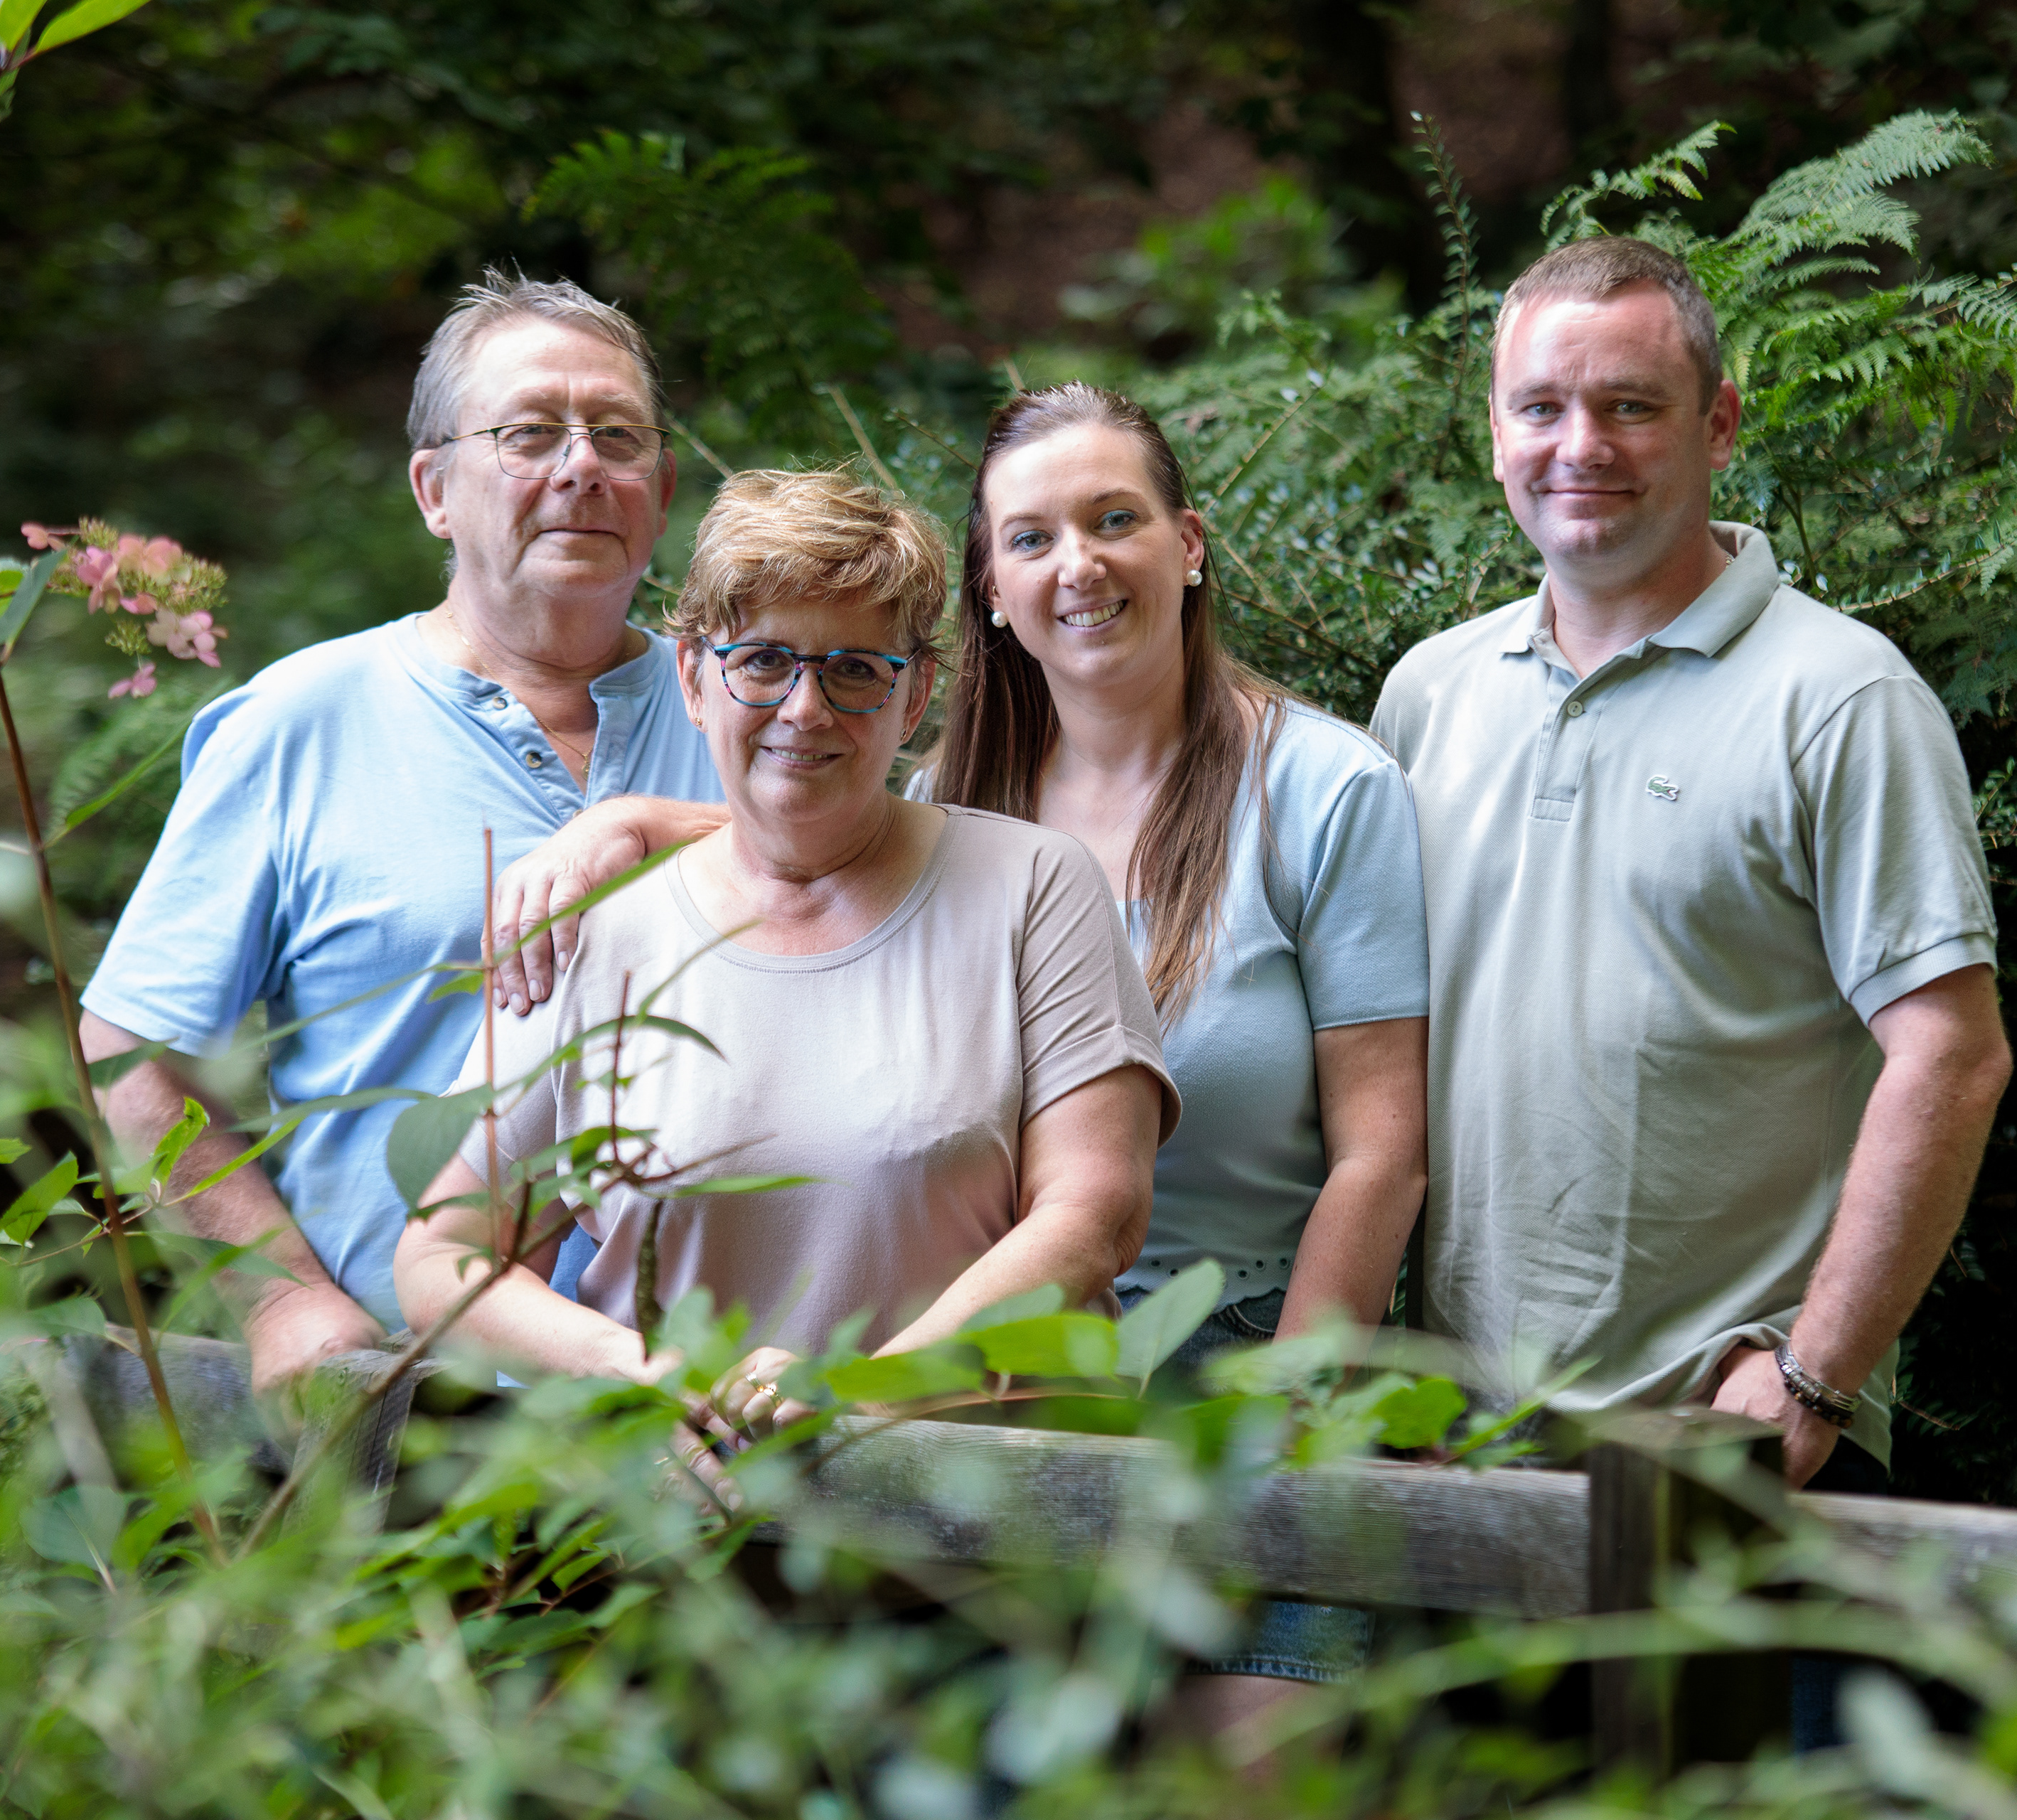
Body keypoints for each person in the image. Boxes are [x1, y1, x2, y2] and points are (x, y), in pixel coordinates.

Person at [1369, 235, 2012, 1736]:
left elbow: (1954, 1056)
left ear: (1721, 425)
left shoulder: (1842, 698)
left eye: (1630, 406)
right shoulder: (1427, 692)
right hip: (1461, 1465)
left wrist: (1816, 1375)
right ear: (1492, 430)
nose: (1578, 447)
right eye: (1539, 408)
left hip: (1734, 1456)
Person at [393, 469, 1176, 1408]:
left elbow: (1095, 1216)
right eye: (763, 661)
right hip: (680, 1510)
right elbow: (443, 1252)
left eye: (854, 669)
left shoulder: (1033, 889)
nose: (806, 711)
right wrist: (650, 1380)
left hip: (994, 1509)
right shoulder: (596, 931)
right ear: (693, 676)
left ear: (916, 690)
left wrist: (853, 1398)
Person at [79, 273, 728, 1393]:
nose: (582, 466)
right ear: (435, 489)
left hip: (714, 1403)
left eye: (617, 436)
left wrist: (655, 824)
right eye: (529, 433)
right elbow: (132, 1055)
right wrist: (280, 1295)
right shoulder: (300, 724)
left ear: (661, 490)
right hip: (408, 1403)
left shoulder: (761, 713)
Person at [924, 382, 1430, 1737]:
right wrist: (621, 828)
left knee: (1250, 1768)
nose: (1076, 565)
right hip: (999, 1376)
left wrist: (1293, 1422)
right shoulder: (938, 817)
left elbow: (1382, 1150)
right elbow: (766, 841)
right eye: (1030, 539)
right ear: (989, 589)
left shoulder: (1326, 790)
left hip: (1252, 1351)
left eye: (1114, 521)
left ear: (1189, 544)